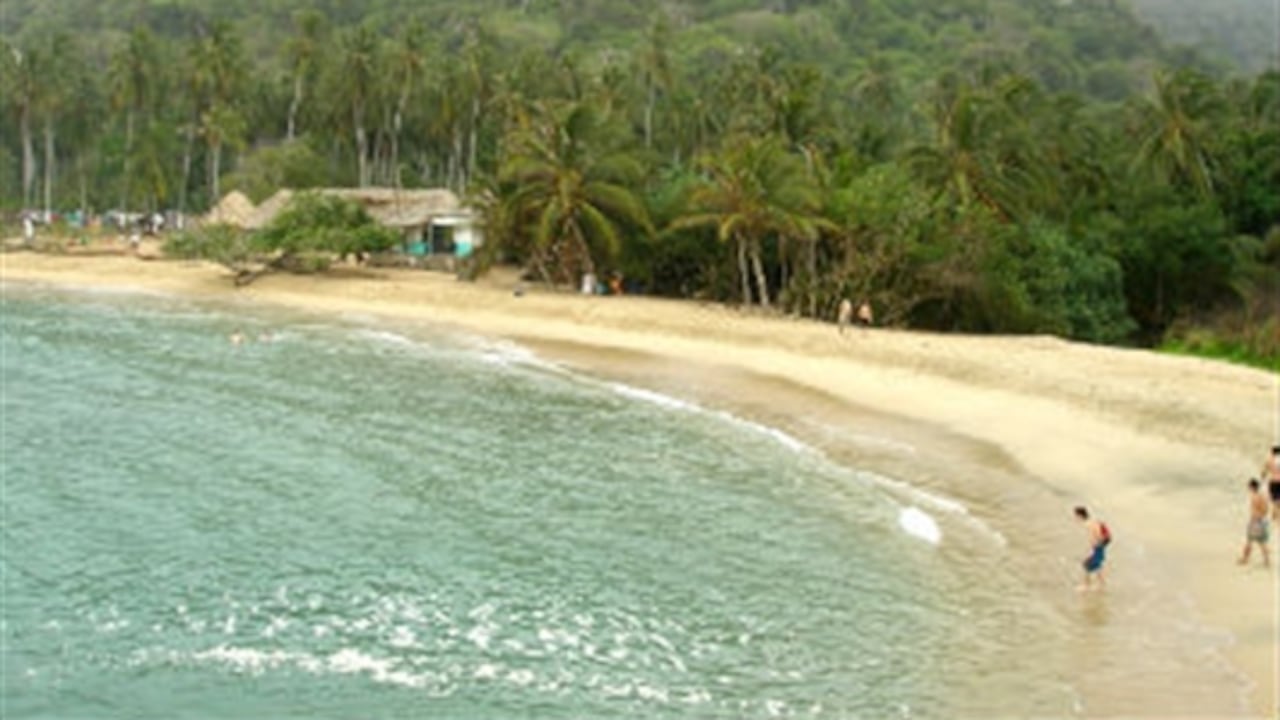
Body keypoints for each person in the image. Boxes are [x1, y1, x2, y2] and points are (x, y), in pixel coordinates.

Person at [1074, 506, 1110, 592]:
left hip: (1097, 546)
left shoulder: (1088, 524)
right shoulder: (1092, 522)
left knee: (1086, 565)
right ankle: (1102, 585)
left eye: (1076, 516)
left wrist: (1092, 551)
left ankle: (1086, 586)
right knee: (1098, 566)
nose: (1075, 518)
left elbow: (1095, 537)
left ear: (1080, 516)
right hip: (1100, 546)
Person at [1238, 479, 1271, 567]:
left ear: (1252, 487)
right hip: (1261, 521)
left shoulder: (1255, 497)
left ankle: (1245, 559)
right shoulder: (1262, 496)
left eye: (1249, 486)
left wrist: (1256, 517)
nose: (1248, 488)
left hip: (1255, 521)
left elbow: (1261, 509)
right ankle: (1267, 561)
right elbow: (1266, 509)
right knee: (1261, 542)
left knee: (1250, 541)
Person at [1262, 445, 1280, 522]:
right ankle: (1276, 515)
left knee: (1274, 500)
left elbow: (1264, 472)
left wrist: (1263, 478)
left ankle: (1274, 516)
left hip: (1273, 481)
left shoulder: (1269, 460)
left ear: (1272, 452)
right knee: (1278, 500)